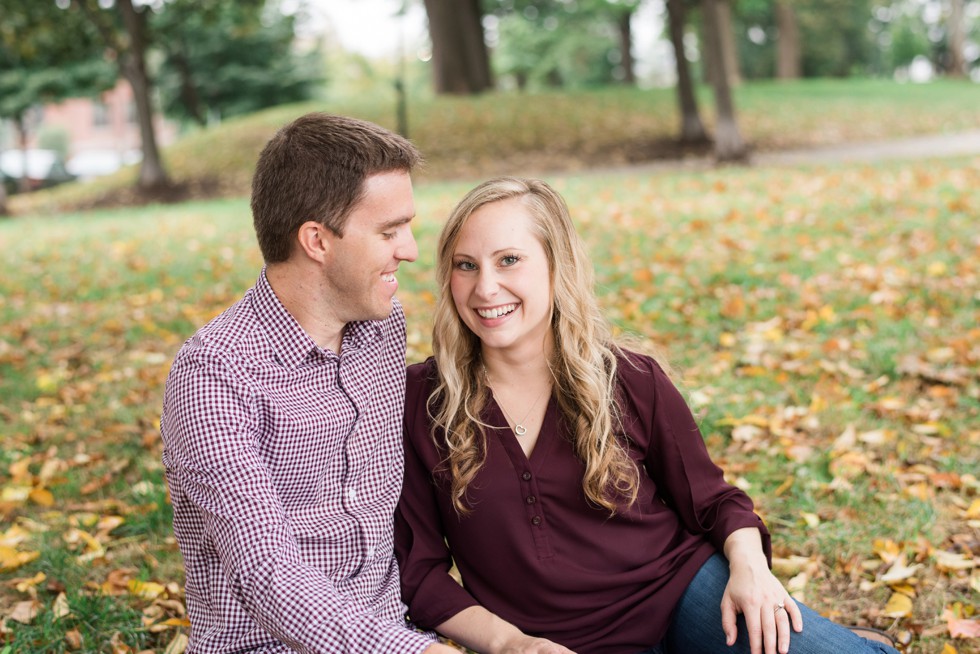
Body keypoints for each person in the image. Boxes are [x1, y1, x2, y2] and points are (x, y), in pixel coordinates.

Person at [394, 177, 900, 654]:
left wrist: (750, 570)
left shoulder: (630, 377)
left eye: (509, 260)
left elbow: (714, 500)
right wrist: (512, 644)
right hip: (550, 643)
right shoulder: (420, 401)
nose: (485, 288)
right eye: (466, 265)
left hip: (684, 594)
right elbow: (419, 572)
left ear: (556, 266)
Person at [161, 113, 459, 653]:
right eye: (389, 231)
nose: (411, 250)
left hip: (394, 627)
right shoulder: (216, 375)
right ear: (317, 241)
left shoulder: (383, 326)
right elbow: (268, 574)